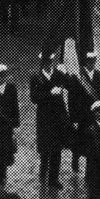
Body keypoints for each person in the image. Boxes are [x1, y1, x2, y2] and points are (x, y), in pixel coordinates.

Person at [30, 53, 69, 189]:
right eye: (46, 61)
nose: (48, 63)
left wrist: (66, 73)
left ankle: (53, 179)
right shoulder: (36, 77)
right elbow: (34, 98)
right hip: (44, 119)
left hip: (58, 118)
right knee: (45, 149)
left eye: (50, 61)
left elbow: (71, 85)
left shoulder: (58, 74)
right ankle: (43, 172)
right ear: (42, 62)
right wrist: (49, 94)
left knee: (57, 150)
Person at [68, 51, 100, 175]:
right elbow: (71, 98)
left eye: (93, 61)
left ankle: (90, 170)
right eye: (89, 61)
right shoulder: (77, 77)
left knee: (93, 143)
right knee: (79, 141)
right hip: (82, 116)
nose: (92, 63)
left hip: (94, 116)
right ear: (85, 62)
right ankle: (75, 160)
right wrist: (73, 117)